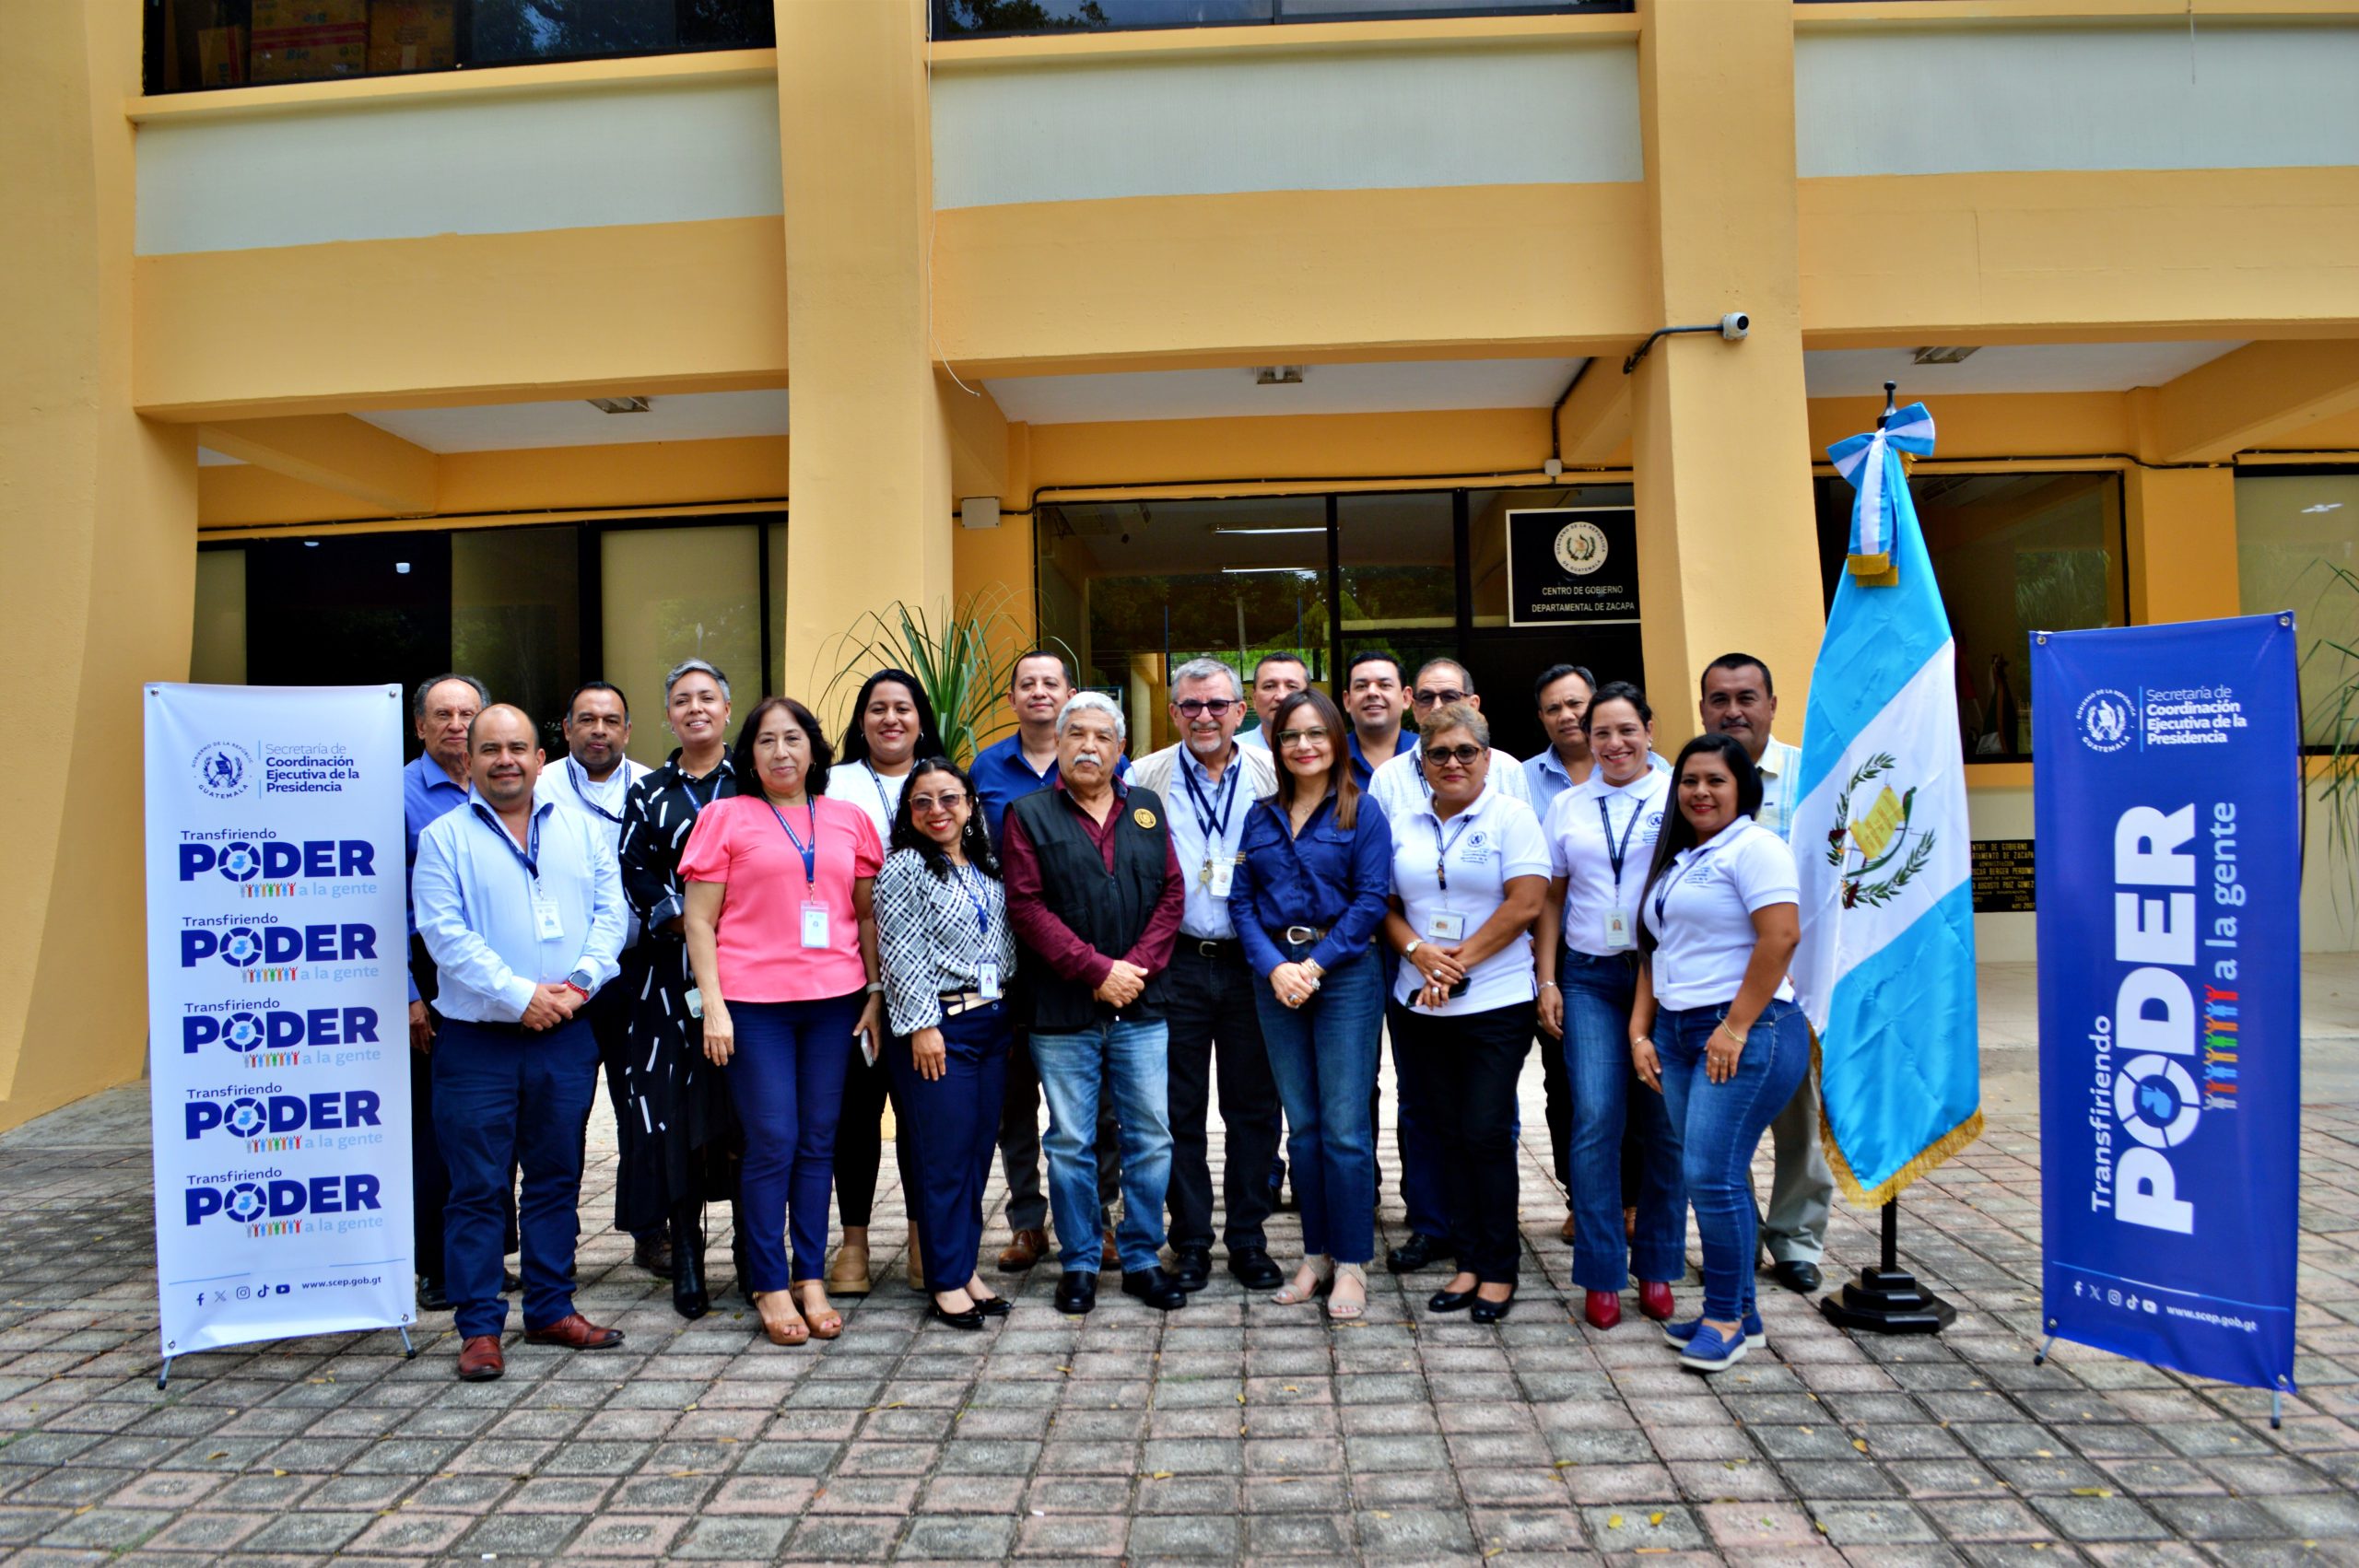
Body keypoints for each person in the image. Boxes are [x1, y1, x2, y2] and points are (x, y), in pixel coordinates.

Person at [412, 704, 628, 1380]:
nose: (504, 760)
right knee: (476, 1187)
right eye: (490, 749)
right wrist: (519, 996)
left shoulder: (582, 831)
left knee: (557, 1177)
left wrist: (579, 987)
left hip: (565, 1032)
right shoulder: (444, 838)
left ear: (540, 759)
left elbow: (611, 914)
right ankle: (479, 1327)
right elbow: (444, 936)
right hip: (477, 1043)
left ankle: (550, 1308)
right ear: (470, 761)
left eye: (517, 748)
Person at [682, 696, 883, 1346]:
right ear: (750, 754)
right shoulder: (724, 817)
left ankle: (810, 1276)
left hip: (834, 1002)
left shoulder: (848, 818)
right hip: (753, 1006)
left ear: (814, 749)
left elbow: (866, 915)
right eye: (766, 741)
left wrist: (875, 992)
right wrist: (713, 1005)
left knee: (819, 1140)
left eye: (793, 738)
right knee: (773, 1139)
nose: (781, 752)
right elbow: (698, 921)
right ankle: (770, 1282)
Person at [1003, 693, 1190, 1315]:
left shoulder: (1147, 808)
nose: (1089, 746)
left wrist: (1132, 972)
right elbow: (1027, 907)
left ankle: (1140, 1257)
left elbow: (1171, 894)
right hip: (1062, 1011)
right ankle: (1080, 1261)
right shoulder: (1028, 815)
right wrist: (1096, 971)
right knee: (1070, 1141)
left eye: (1102, 736)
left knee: (1151, 1137)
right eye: (1076, 734)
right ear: (1057, 744)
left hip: (1141, 1005)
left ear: (1121, 749)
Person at [1630, 733, 1806, 1373]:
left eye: (1715, 781)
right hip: (1679, 1033)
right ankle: (1744, 1314)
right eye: (1689, 781)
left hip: (1744, 1031)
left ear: (1743, 788)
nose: (1699, 792)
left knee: (1711, 1175)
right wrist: (1640, 1033)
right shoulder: (1683, 858)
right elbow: (1656, 949)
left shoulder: (1756, 848)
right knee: (1712, 1173)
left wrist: (1734, 1027)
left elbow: (1781, 936)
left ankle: (1724, 1318)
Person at [1381, 703, 1548, 1323]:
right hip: (1418, 1002)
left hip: (1495, 1001)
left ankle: (1500, 1268)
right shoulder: (1401, 821)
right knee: (1446, 1135)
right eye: (1439, 754)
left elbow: (1526, 902)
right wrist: (1418, 954)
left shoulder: (1512, 817)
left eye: (1465, 752)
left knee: (1485, 1132)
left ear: (1486, 756)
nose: (1453, 763)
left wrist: (1456, 964)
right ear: (1421, 762)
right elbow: (1384, 904)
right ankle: (1469, 1261)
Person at [1232, 689, 1391, 1320]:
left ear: (1336, 740)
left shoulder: (1363, 810)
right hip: (1277, 980)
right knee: (1302, 1128)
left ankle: (1351, 1262)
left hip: (1344, 976)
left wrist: (1314, 965)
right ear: (1277, 746)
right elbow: (1240, 902)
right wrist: (1276, 968)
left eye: (1315, 734)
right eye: (1290, 736)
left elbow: (1371, 900)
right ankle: (1316, 1254)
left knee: (1345, 1130)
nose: (1303, 746)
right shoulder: (1260, 816)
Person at [1130, 659, 1285, 1294]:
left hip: (1254, 963)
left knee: (1254, 1108)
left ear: (1240, 712)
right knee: (1177, 1110)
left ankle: (1248, 1238)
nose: (1204, 717)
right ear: (1173, 713)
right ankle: (1190, 1239)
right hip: (1178, 963)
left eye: (1218, 705)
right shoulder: (1144, 777)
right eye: (1191, 705)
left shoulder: (1273, 772)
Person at [969, 650, 1123, 1276]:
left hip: (1089, 959)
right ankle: (1027, 1222)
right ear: (1011, 699)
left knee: (1098, 1100)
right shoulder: (985, 769)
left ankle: (1098, 1218)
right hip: (1011, 960)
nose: (1038, 691)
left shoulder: (1107, 761)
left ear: (1069, 694)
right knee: (1016, 1099)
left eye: (1050, 683)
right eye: (1026, 683)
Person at [1534, 682, 1683, 1330]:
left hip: (1665, 978)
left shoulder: (1677, 795)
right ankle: (1600, 1270)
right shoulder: (1567, 805)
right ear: (1587, 739)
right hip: (1589, 977)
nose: (1615, 743)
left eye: (1627, 730)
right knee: (1595, 1115)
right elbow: (1551, 898)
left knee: (1663, 1122)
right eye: (1602, 733)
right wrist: (1547, 979)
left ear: (1649, 730)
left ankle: (1657, 1263)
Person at [614, 660, 745, 1320]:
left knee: (746, 1108)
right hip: (665, 980)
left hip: (749, 969)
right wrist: (687, 921)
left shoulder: (752, 782)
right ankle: (687, 1252)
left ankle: (753, 1252)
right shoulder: (647, 792)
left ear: (727, 709)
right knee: (672, 1115)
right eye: (682, 700)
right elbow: (634, 870)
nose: (696, 708)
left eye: (707, 698)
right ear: (668, 716)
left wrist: (730, 923)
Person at [1699, 651, 1832, 1296]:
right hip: (1713, 985)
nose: (1733, 711)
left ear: (1772, 705)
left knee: (1800, 1121)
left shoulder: (1815, 777)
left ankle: (1797, 1240)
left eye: (1746, 697)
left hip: (1797, 984)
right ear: (1703, 709)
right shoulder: (1693, 779)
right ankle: (1739, 1238)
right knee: (1720, 1123)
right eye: (1719, 699)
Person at [873, 758, 1019, 1329]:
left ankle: (963, 1268)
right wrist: (920, 1026)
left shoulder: (985, 864)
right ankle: (944, 1280)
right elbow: (900, 950)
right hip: (940, 1028)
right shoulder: (905, 867)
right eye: (923, 802)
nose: (938, 811)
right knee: (943, 1159)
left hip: (992, 1023)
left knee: (978, 1154)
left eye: (949, 798)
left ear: (970, 804)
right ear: (908, 813)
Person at [824, 669, 947, 1299]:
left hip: (935, 983)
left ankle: (925, 1237)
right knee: (856, 1112)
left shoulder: (944, 782)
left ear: (921, 719)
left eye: (903, 707)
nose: (891, 719)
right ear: (861, 719)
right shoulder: (832, 785)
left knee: (924, 1115)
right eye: (878, 708)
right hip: (852, 977)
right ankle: (854, 1241)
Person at [534, 680, 662, 1276]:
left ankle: (650, 1231)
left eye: (611, 720)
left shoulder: (651, 788)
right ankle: (554, 1241)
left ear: (628, 730)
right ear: (566, 729)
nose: (599, 730)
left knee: (642, 1105)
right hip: (564, 980)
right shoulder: (540, 787)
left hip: (637, 969)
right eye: (587, 719)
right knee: (560, 1110)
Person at [403, 672, 505, 1314]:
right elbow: (379, 902)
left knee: (494, 1124)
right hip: (430, 969)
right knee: (442, 1129)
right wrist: (409, 993)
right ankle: (438, 1267)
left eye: (468, 713)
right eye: (442, 714)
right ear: (420, 726)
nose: (456, 725)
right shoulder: (399, 795)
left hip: (500, 971)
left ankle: (489, 1259)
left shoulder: (504, 785)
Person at [1521, 661, 1595, 1236]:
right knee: (1565, 1081)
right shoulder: (1521, 779)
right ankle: (1582, 1196)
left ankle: (1635, 1199)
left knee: (1637, 1081)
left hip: (1641, 955)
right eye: (1554, 708)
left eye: (1576, 703)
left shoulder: (1657, 773)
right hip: (1557, 950)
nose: (1567, 715)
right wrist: (1545, 975)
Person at [1366, 659, 1533, 825]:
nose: (1437, 707)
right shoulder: (1387, 777)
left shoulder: (1507, 769)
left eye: (1449, 697)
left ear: (1473, 705)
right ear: (1414, 708)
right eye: (1426, 698)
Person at [1343, 650, 1411, 789]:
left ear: (1405, 698)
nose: (1372, 692)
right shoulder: (1330, 757)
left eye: (1384, 685)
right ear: (1347, 701)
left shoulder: (1427, 753)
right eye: (1361, 686)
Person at [1236, 652, 1309, 753]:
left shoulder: (1327, 751)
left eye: (1292, 686)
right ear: (1254, 698)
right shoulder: (1231, 753)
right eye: (1269, 686)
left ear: (1309, 697)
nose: (1281, 696)